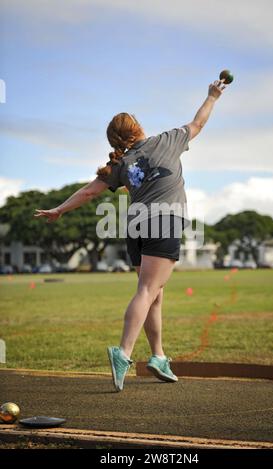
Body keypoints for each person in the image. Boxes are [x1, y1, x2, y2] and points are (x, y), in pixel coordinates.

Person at [35, 79, 227, 392]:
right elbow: (199, 122)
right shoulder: (168, 140)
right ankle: (123, 352)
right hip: (164, 221)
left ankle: (158, 356)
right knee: (149, 290)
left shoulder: (121, 163)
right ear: (137, 126)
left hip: (135, 226)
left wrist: (59, 210)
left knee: (153, 295)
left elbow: (88, 192)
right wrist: (213, 95)